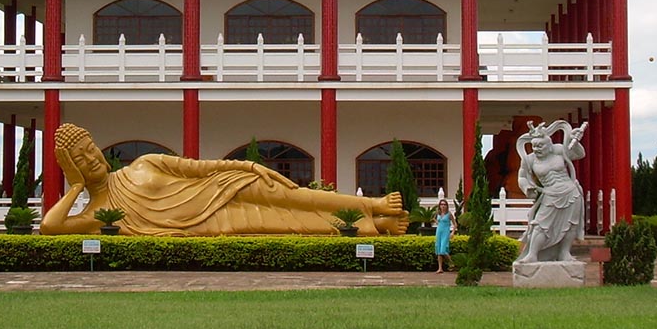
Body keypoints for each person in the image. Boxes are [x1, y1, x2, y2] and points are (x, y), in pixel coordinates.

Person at [40, 123, 408, 236]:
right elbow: (50, 228)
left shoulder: (145, 163)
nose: (93, 158)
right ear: (72, 166)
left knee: (294, 196)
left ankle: (370, 205)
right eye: (81, 159)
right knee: (288, 225)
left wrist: (247, 167)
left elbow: (199, 167)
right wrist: (75, 185)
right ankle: (374, 225)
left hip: (222, 186)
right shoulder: (100, 213)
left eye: (91, 149)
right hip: (214, 221)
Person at [514, 120, 586, 263]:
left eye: (540, 146)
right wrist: (527, 188)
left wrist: (574, 141)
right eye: (534, 146)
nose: (537, 149)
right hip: (550, 193)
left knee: (570, 224)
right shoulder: (529, 160)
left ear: (549, 145)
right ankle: (532, 254)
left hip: (571, 192)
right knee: (540, 224)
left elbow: (579, 154)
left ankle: (565, 253)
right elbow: (522, 177)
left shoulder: (558, 150)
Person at [434, 198, 456, 272]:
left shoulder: (449, 214)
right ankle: (440, 268)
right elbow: (435, 220)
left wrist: (452, 232)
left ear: (447, 206)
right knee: (439, 250)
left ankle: (451, 263)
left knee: (443, 250)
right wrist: (436, 221)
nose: (443, 206)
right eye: (441, 204)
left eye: (444, 204)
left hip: (445, 232)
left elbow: (455, 224)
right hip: (439, 232)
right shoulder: (438, 213)